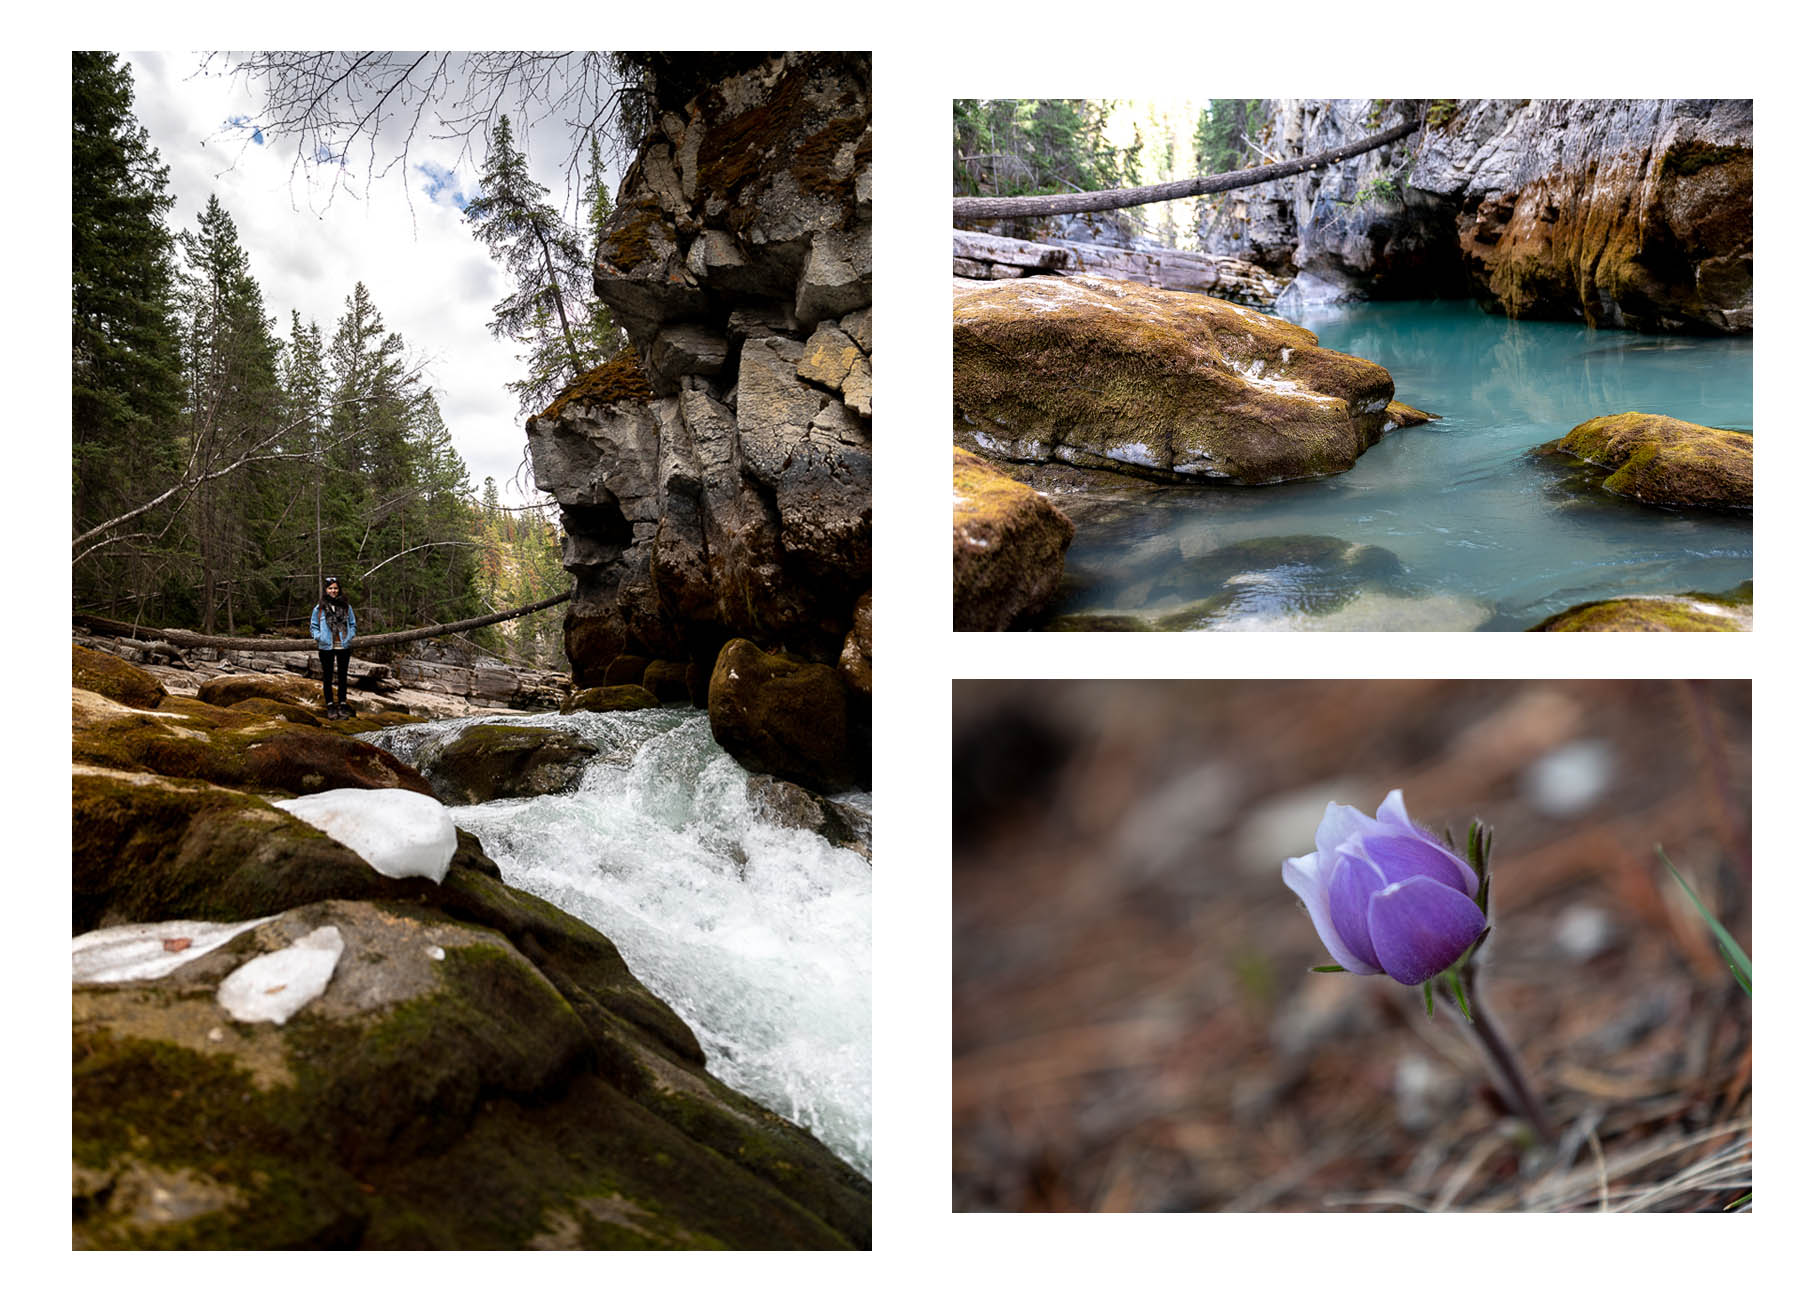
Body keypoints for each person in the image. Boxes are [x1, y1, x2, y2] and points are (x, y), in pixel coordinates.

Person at [311, 576, 357, 719]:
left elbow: (353, 624)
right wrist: (319, 637)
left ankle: (342, 704)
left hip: (343, 645)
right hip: (326, 646)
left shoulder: (346, 606)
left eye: (335, 588)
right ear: (326, 590)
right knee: (328, 676)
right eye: (330, 588)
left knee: (343, 676)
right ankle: (330, 706)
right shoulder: (319, 608)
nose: (333, 591)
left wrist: (350, 636)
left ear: (339, 589)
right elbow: (313, 626)